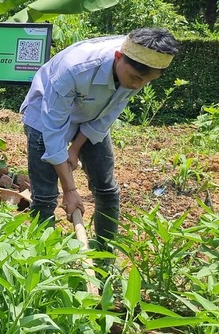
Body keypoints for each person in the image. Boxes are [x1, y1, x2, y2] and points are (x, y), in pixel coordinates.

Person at [21, 28, 179, 251]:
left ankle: (105, 254)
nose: (137, 86)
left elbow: (107, 115)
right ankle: (40, 260)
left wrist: (75, 149)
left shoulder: (137, 71)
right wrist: (70, 190)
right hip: (45, 115)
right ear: (117, 57)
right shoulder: (75, 68)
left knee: (107, 190)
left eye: (146, 81)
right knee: (46, 196)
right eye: (135, 78)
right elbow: (53, 129)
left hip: (91, 115)